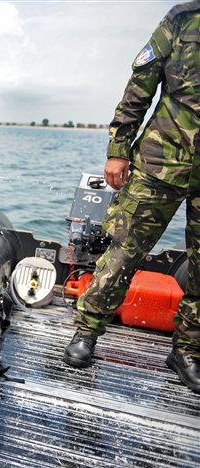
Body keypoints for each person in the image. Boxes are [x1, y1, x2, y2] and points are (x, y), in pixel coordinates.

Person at [63, 1, 200, 394]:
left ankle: (187, 350)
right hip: (161, 161)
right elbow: (141, 84)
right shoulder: (182, 18)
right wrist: (118, 149)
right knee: (124, 251)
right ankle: (87, 332)